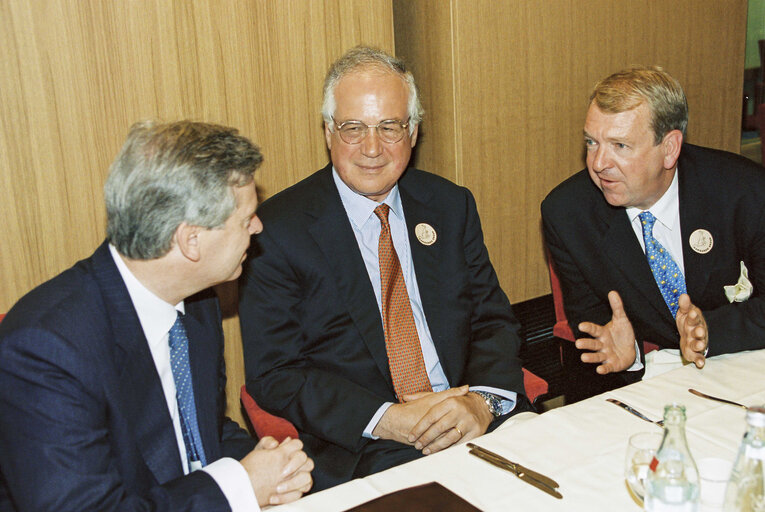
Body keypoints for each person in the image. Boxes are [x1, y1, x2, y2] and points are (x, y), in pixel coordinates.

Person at [239, 46, 532, 491]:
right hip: (370, 444)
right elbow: (275, 373)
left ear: (413, 132)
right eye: (353, 128)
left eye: (389, 127)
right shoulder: (277, 231)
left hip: (469, 414)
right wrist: (390, 419)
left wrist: (483, 401)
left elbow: (493, 321)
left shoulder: (451, 206)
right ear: (327, 132)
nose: (372, 148)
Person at [0, 121, 313, 511]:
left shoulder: (195, 300)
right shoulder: (45, 349)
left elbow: (198, 435)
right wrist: (240, 486)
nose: (258, 226)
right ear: (190, 240)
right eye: (245, 218)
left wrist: (270, 467)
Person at [542, 66, 765, 401]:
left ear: (670, 147)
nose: (599, 162)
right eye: (592, 142)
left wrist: (710, 331)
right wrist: (626, 350)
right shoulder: (569, 213)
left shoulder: (743, 192)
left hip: (740, 366)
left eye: (619, 145)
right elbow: (593, 321)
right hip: (646, 384)